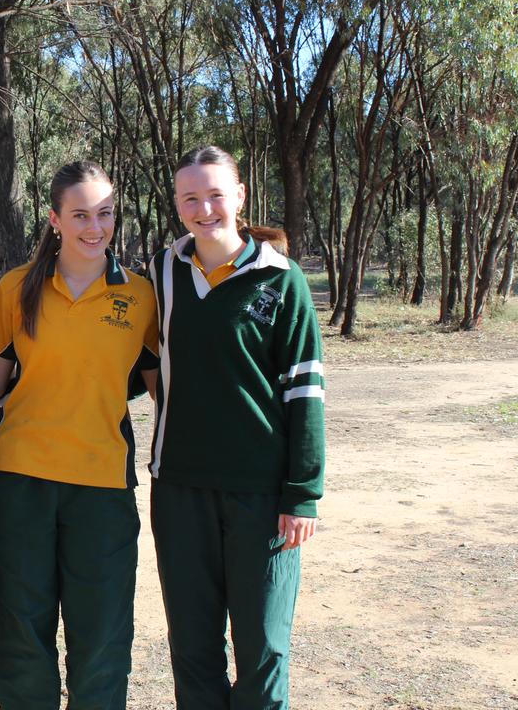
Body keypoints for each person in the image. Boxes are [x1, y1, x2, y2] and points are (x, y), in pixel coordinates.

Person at [0, 161, 161, 710]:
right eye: (80, 215)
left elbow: (162, 390)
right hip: (20, 483)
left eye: (105, 213)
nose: (95, 227)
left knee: (101, 640)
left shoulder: (141, 297)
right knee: (21, 638)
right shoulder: (15, 289)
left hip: (102, 489)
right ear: (54, 219)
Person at [148, 145, 325, 709]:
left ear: (241, 196)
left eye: (216, 195)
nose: (204, 209)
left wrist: (302, 493)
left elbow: (305, 391)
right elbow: (136, 356)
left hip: (261, 493)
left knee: (263, 647)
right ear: (177, 204)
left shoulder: (281, 279)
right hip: (179, 487)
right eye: (190, 198)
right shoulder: (162, 272)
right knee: (192, 646)